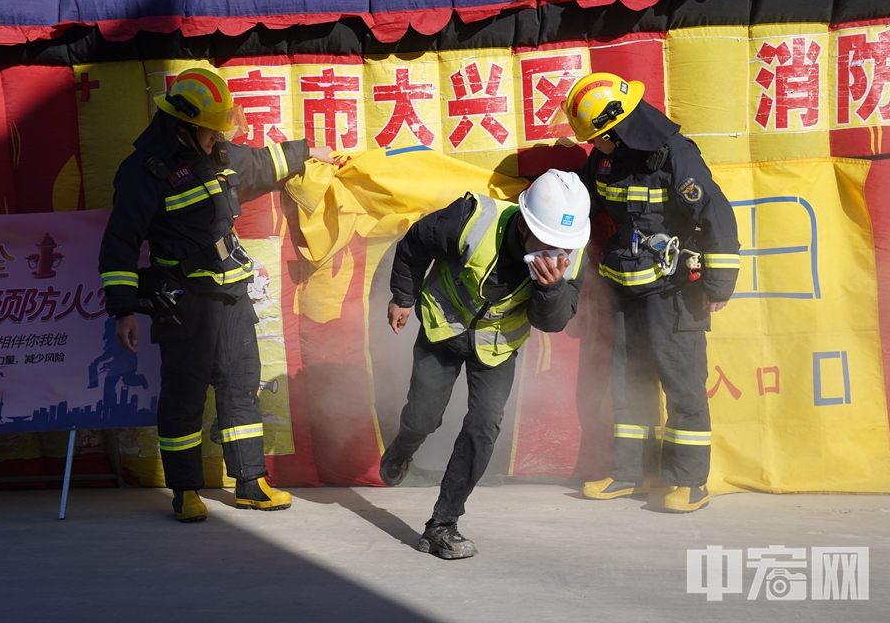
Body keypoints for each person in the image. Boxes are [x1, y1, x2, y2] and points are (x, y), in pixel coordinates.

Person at [98, 67, 333, 522]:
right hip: (185, 302)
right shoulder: (143, 172)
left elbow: (261, 165)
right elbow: (120, 242)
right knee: (183, 396)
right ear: (183, 125)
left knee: (241, 387)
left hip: (231, 294)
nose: (218, 136)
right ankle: (185, 491)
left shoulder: (216, 151)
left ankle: (250, 482)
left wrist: (309, 152)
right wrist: (123, 309)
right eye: (210, 129)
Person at [381, 169, 591, 559]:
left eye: (564, 244)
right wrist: (403, 297)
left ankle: (442, 525)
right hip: (445, 326)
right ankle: (403, 447)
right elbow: (415, 244)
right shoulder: (473, 219)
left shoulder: (569, 260)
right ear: (526, 223)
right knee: (423, 418)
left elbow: (551, 323)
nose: (556, 251)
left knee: (484, 426)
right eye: (548, 239)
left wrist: (551, 288)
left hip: (498, 344)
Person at [563, 72, 740, 513]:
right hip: (625, 289)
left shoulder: (675, 155)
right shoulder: (603, 160)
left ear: (617, 131)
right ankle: (631, 473)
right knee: (627, 380)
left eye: (597, 139)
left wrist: (719, 283)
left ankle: (689, 481)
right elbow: (582, 203)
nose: (593, 148)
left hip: (675, 292)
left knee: (682, 383)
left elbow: (715, 213)